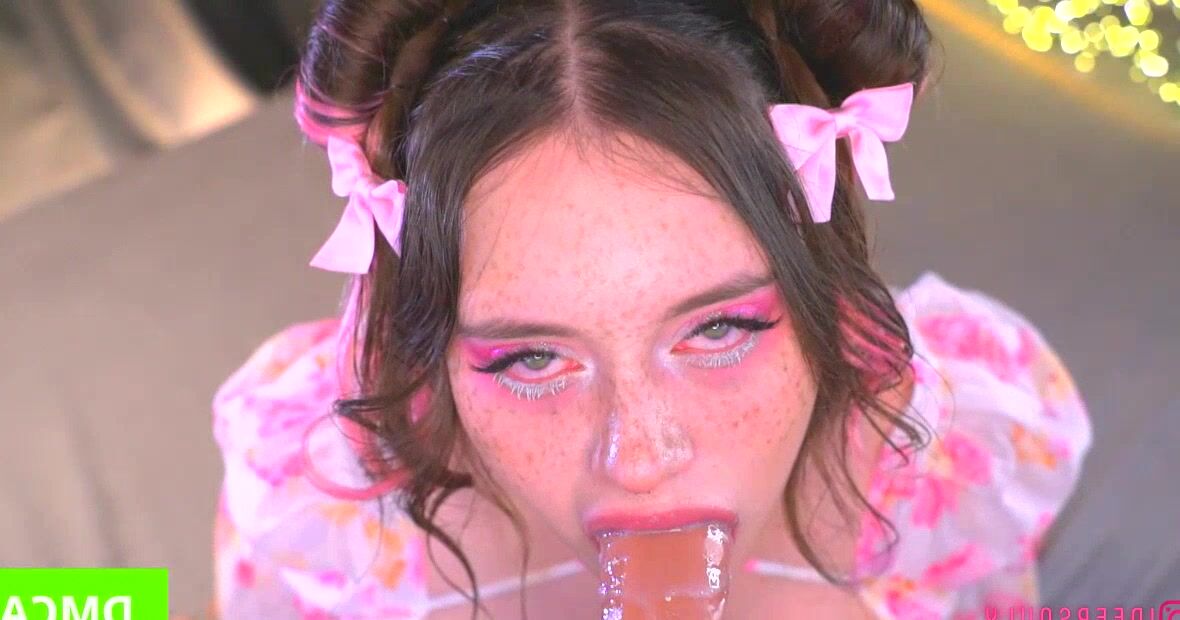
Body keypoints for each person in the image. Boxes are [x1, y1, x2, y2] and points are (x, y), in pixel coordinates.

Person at [210, 1, 1093, 618]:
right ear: (432, 345)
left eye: (720, 329)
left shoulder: (955, 453)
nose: (640, 460)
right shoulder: (314, 496)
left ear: (820, 283)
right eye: (530, 359)